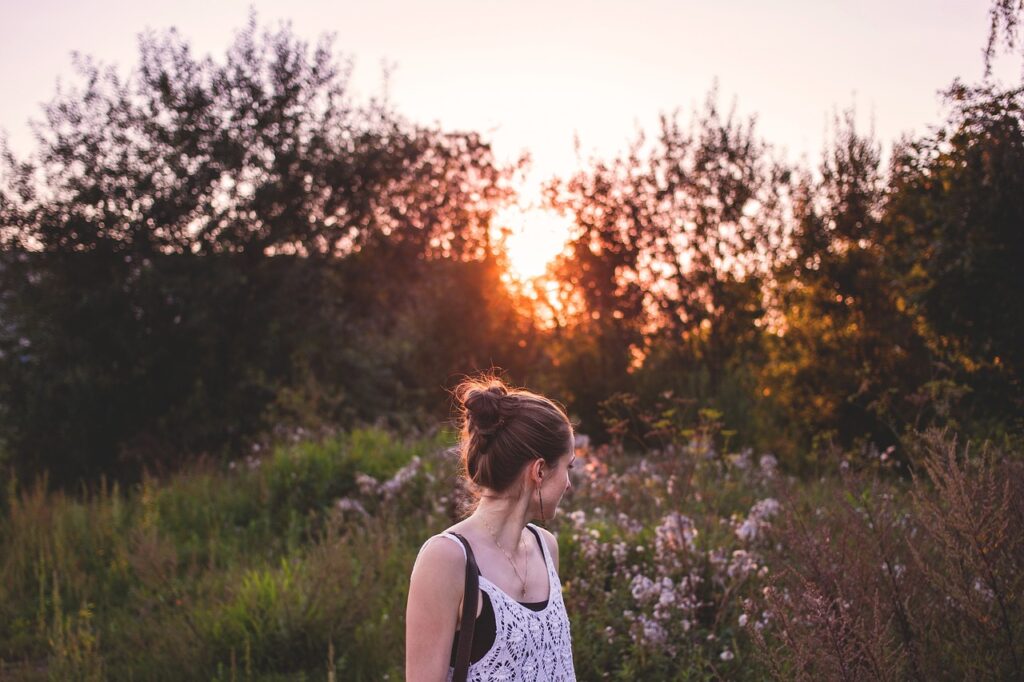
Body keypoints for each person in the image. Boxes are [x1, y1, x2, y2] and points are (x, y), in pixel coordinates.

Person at [405, 377, 578, 681]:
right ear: (539, 471)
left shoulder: (546, 548)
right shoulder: (446, 559)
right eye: (569, 467)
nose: (569, 483)